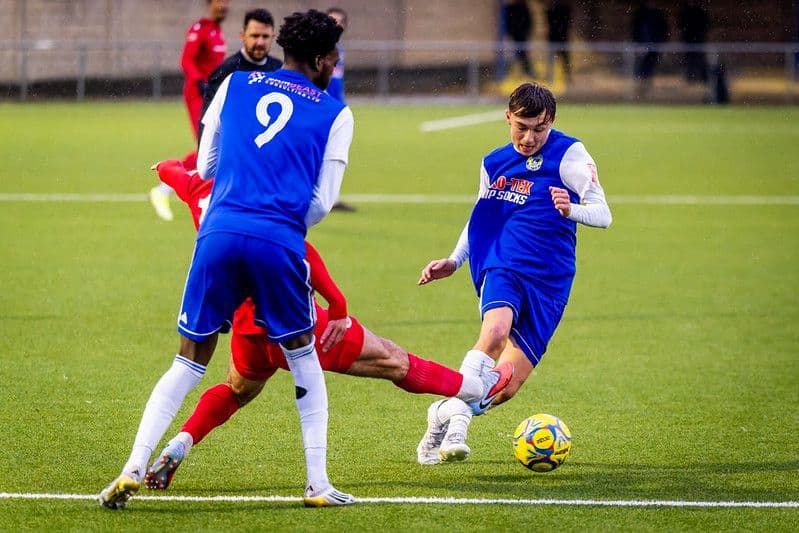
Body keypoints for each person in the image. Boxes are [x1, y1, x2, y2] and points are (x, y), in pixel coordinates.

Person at [100, 10, 353, 510]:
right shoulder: (335, 112)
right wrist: (277, 207)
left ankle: (132, 465)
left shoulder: (234, 84)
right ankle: (317, 484)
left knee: (187, 361)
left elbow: (206, 165)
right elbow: (322, 202)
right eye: (335, 58)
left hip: (219, 231)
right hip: (277, 239)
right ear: (324, 60)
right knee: (304, 360)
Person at [140, 160, 513, 491]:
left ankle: (182, 441)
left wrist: (165, 167)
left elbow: (174, 169)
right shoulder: (258, 192)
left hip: (247, 330)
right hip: (298, 326)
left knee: (237, 391)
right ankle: (475, 388)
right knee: (394, 360)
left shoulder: (200, 190)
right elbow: (300, 250)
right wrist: (337, 304)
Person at [415, 82, 612, 465]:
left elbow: (604, 214)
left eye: (538, 128)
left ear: (551, 121)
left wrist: (572, 211)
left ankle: (442, 412)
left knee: (506, 385)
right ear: (508, 117)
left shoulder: (570, 154)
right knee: (495, 332)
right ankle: (457, 424)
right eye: (521, 126)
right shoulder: (494, 162)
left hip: (551, 280)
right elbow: (481, 217)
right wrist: (455, 260)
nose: (529, 137)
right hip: (502, 262)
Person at [149, 0, 229, 221]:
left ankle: (167, 187)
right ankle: (165, 186)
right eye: (218, 1)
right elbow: (187, 60)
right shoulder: (200, 29)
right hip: (198, 95)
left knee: (216, 145)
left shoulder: (217, 32)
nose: (223, 5)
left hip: (212, 96)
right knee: (209, 146)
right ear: (209, 4)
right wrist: (199, 81)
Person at [197, 8, 283, 142]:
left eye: (265, 36)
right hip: (236, 150)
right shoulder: (226, 70)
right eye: (255, 36)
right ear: (243, 35)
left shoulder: (279, 69)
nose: (260, 42)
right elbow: (208, 121)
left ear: (273, 36)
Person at [325, 7, 357, 212]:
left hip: (337, 108)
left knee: (335, 153)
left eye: (340, 22)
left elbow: (337, 81)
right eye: (332, 20)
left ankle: (332, 198)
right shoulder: (319, 47)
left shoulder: (339, 49)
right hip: (323, 109)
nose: (336, 25)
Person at [631, 0, 669, 96]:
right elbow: (635, 29)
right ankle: (640, 89)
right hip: (642, 45)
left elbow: (664, 30)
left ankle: (647, 89)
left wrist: (662, 44)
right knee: (641, 68)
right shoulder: (640, 14)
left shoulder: (658, 15)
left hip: (655, 45)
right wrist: (638, 43)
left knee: (650, 67)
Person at [677, 1, 710, 83]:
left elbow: (706, 24)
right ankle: (690, 78)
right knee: (689, 59)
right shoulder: (685, 12)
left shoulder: (700, 12)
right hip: (688, 39)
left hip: (699, 39)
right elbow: (681, 25)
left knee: (700, 59)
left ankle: (703, 78)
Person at [503, 0, 534, 77]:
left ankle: (525, 71)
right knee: (518, 54)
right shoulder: (512, 8)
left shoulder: (522, 8)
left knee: (521, 53)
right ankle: (520, 71)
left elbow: (528, 22)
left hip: (520, 35)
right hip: (516, 34)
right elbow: (508, 22)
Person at [546, 0, 572, 83]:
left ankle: (566, 76)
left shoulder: (562, 9)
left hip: (560, 38)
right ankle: (551, 77)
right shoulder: (554, 9)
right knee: (554, 59)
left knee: (564, 58)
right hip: (556, 38)